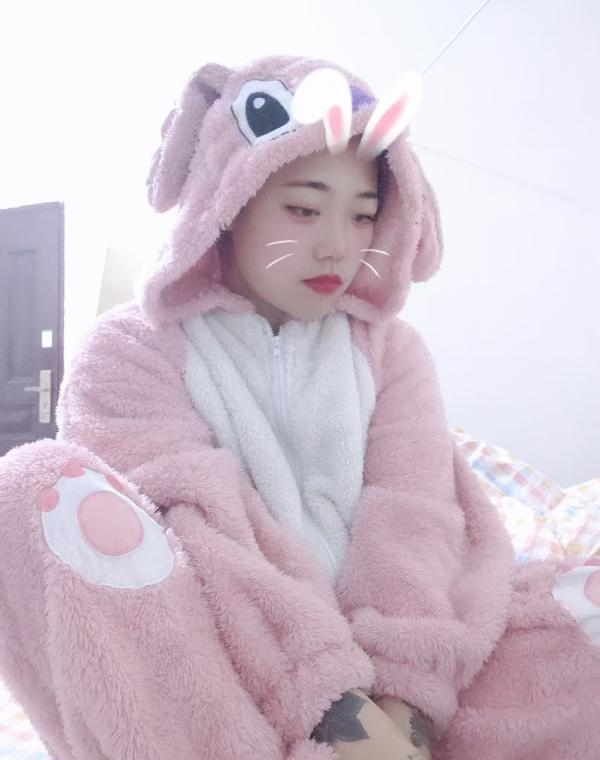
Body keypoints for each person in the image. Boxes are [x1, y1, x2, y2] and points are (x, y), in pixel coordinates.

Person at [0, 54, 599, 760]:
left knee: (576, 611)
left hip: (402, 663)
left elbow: (415, 515)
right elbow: (197, 535)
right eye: (305, 209)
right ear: (230, 202)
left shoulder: (392, 352)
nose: (338, 246)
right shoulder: (130, 349)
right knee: (35, 491)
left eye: (363, 215)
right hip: (229, 672)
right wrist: (333, 709)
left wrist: (406, 703)